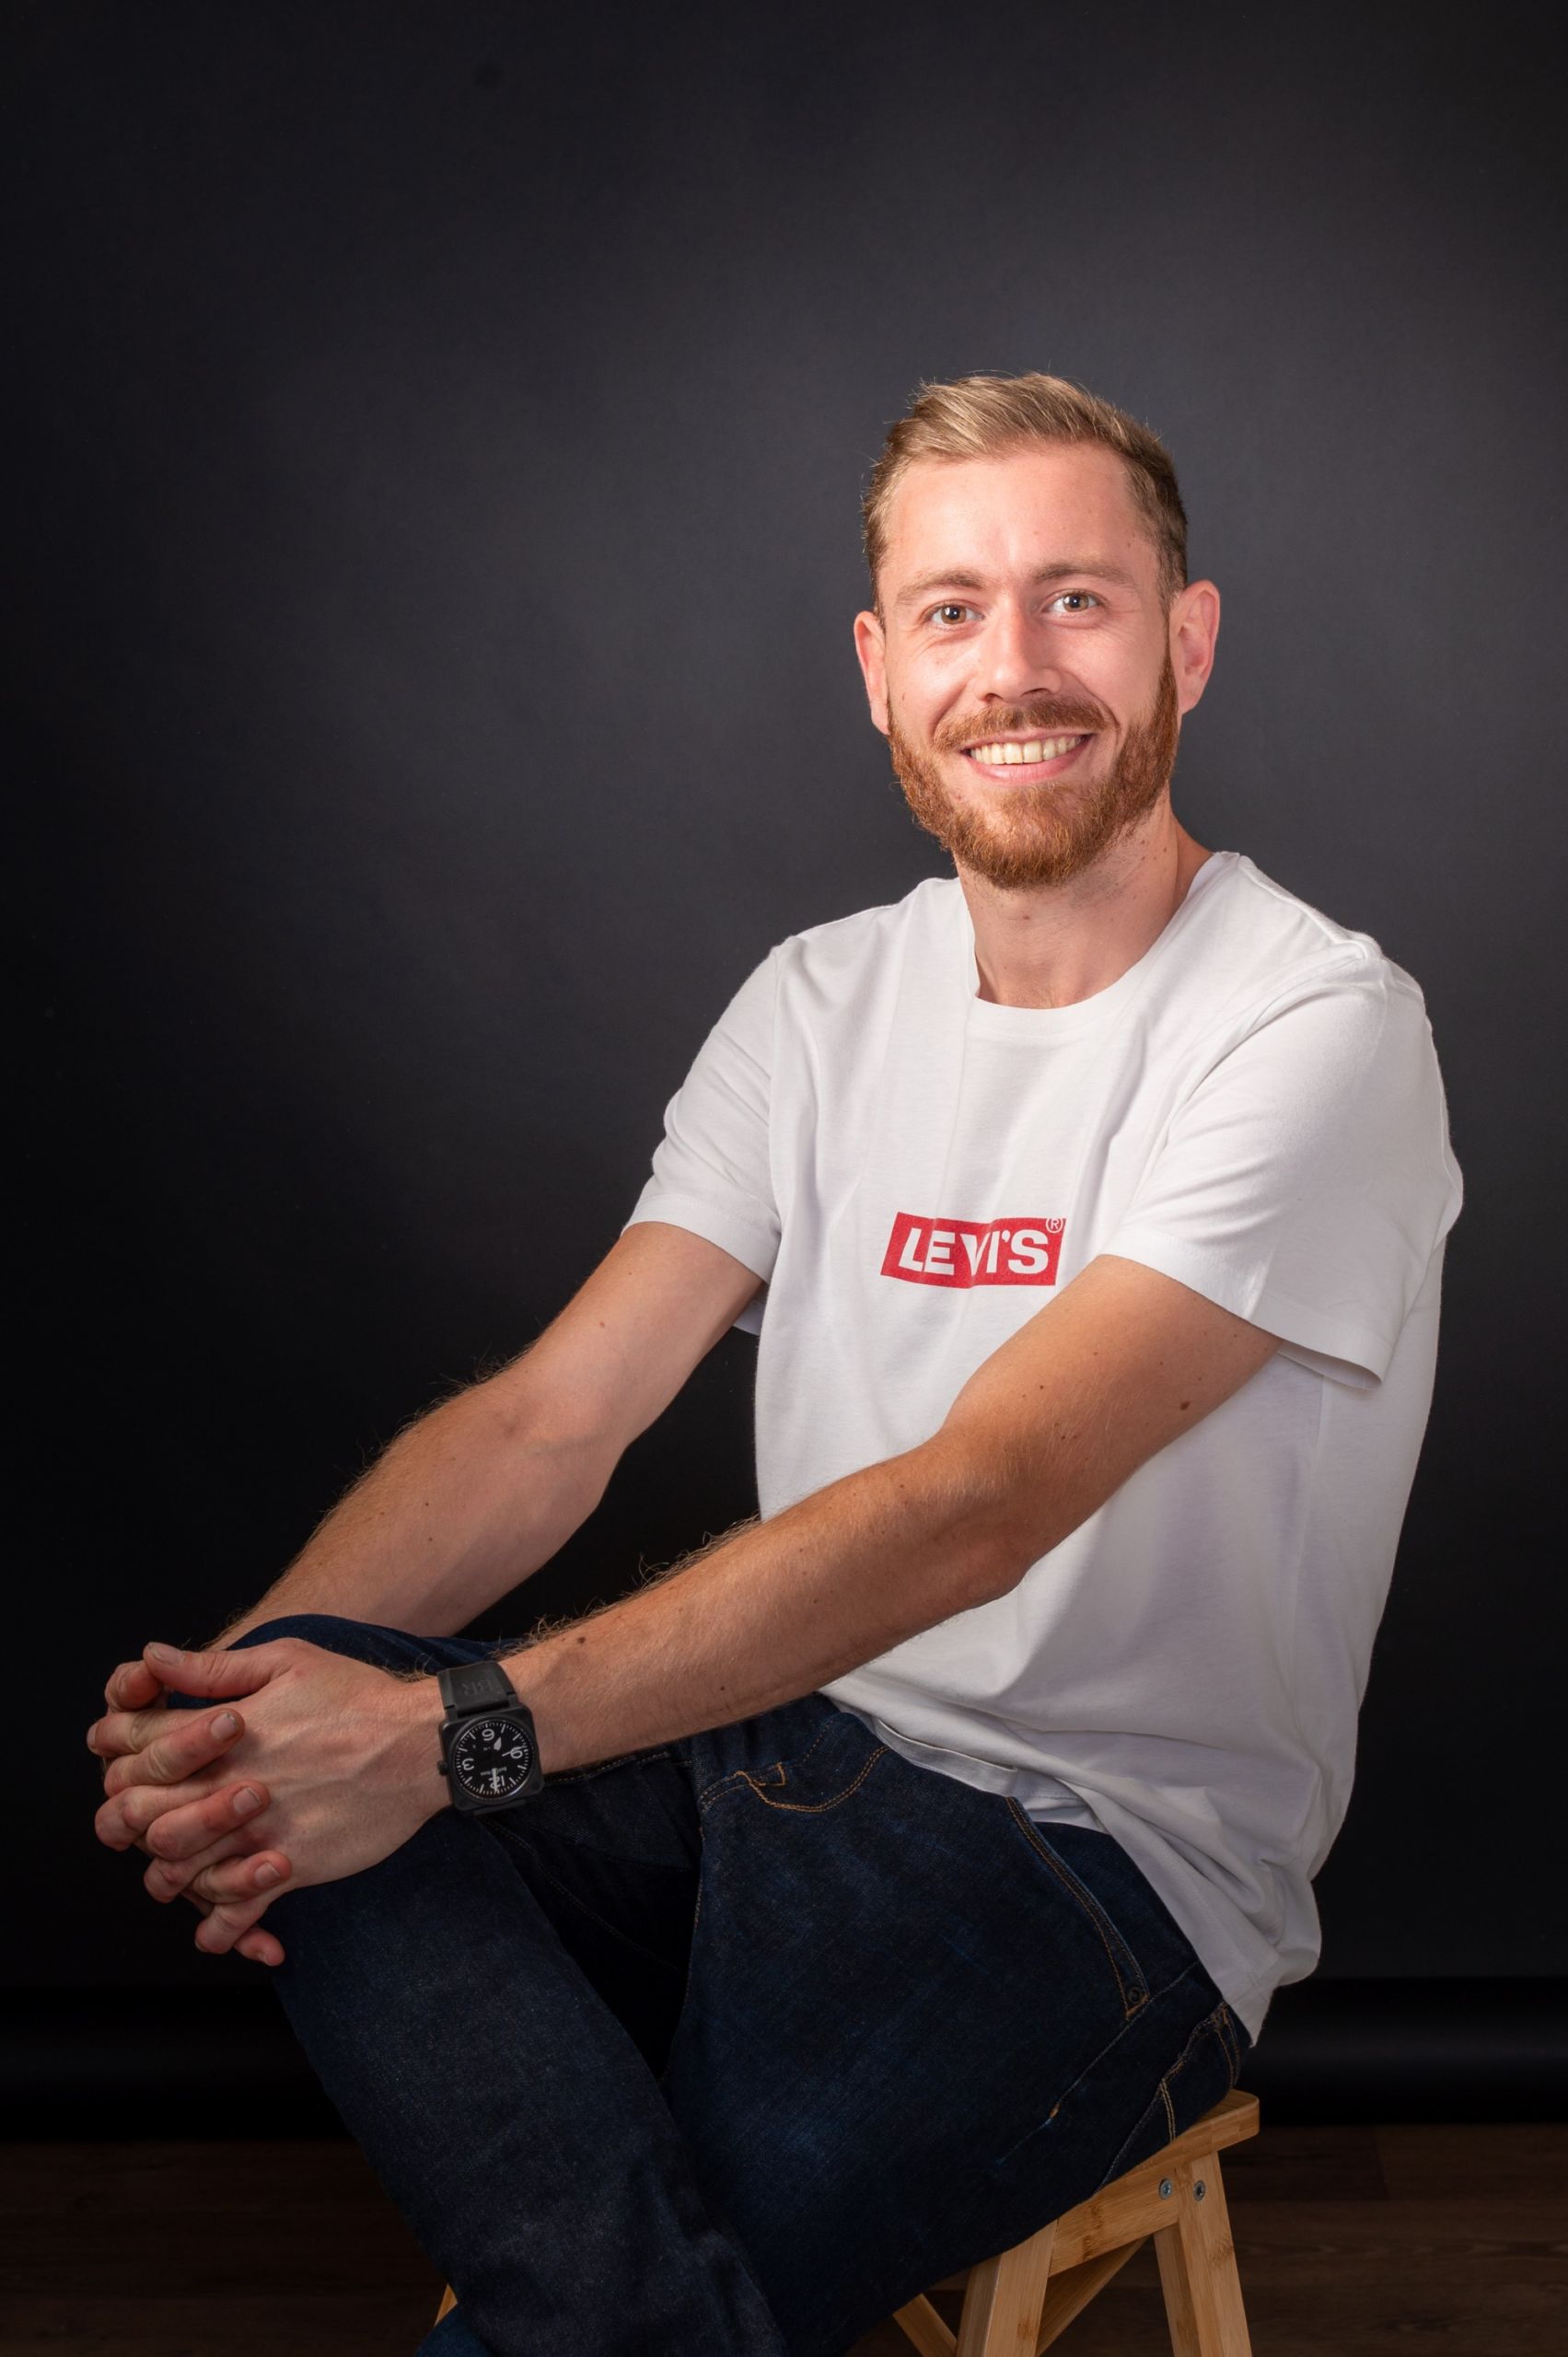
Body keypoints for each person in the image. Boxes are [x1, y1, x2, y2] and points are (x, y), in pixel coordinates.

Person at [87, 373, 1462, 2357]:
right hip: (776, 1751)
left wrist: (453, 1729)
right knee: (326, 1760)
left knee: (417, 1765)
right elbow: (552, 1415)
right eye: (954, 609)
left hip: (1094, 1873)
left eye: (1079, 599)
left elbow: (978, 1504)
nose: (1018, 665)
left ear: (1190, 637)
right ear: (878, 670)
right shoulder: (822, 996)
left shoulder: (1314, 1024)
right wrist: (244, 1708)